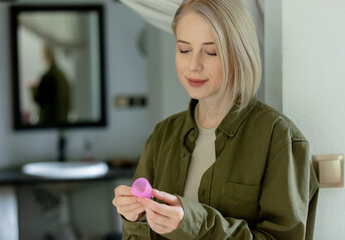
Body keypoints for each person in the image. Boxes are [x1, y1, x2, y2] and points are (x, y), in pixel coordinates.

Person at [113, 0, 319, 239]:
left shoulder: (279, 138)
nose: (193, 65)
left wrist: (192, 222)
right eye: (184, 49)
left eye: (211, 52)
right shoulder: (162, 136)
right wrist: (134, 217)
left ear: (239, 54)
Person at [31, 45, 71, 125]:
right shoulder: (62, 76)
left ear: (46, 55)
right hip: (62, 120)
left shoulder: (48, 76)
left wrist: (33, 89)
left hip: (49, 122)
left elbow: (39, 99)